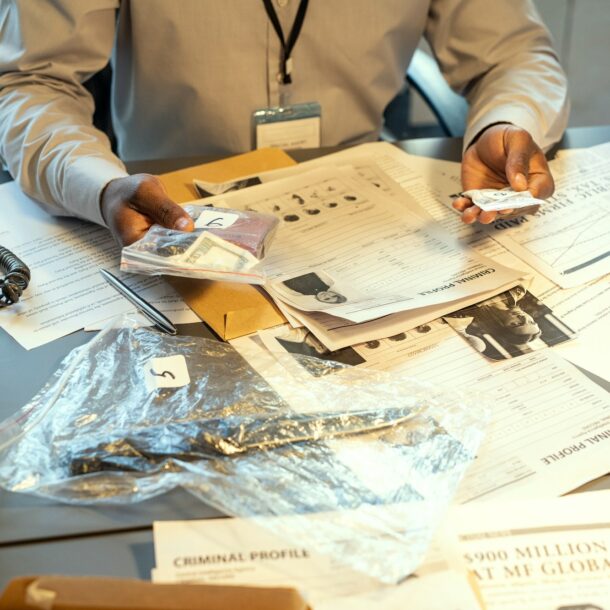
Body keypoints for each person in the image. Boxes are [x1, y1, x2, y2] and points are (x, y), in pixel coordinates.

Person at [0, 1, 568, 247]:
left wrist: (505, 120)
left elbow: (514, 53)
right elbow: (29, 81)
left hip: (362, 214)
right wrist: (96, 185)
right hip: (167, 210)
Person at [445, 286, 542, 359]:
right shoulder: (517, 291)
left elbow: (459, 328)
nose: (523, 317)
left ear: (498, 326)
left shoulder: (462, 315)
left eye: (516, 324)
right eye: (531, 321)